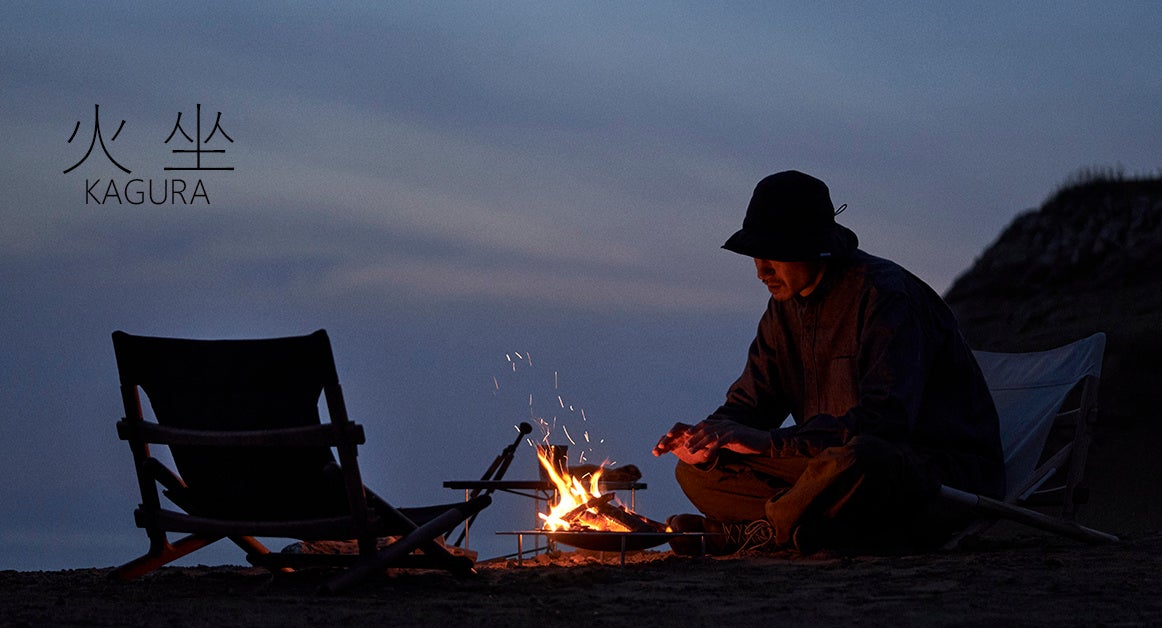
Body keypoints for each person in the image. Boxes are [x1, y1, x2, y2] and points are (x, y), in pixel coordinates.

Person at [653, 170, 1005, 555]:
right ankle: (798, 526)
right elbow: (751, 405)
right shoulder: (783, 310)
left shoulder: (885, 297)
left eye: (773, 253)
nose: (761, 270)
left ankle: (761, 530)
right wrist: (710, 435)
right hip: (824, 471)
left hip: (927, 471)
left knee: (859, 458)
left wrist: (769, 443)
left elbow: (886, 422)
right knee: (696, 472)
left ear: (813, 245)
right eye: (756, 254)